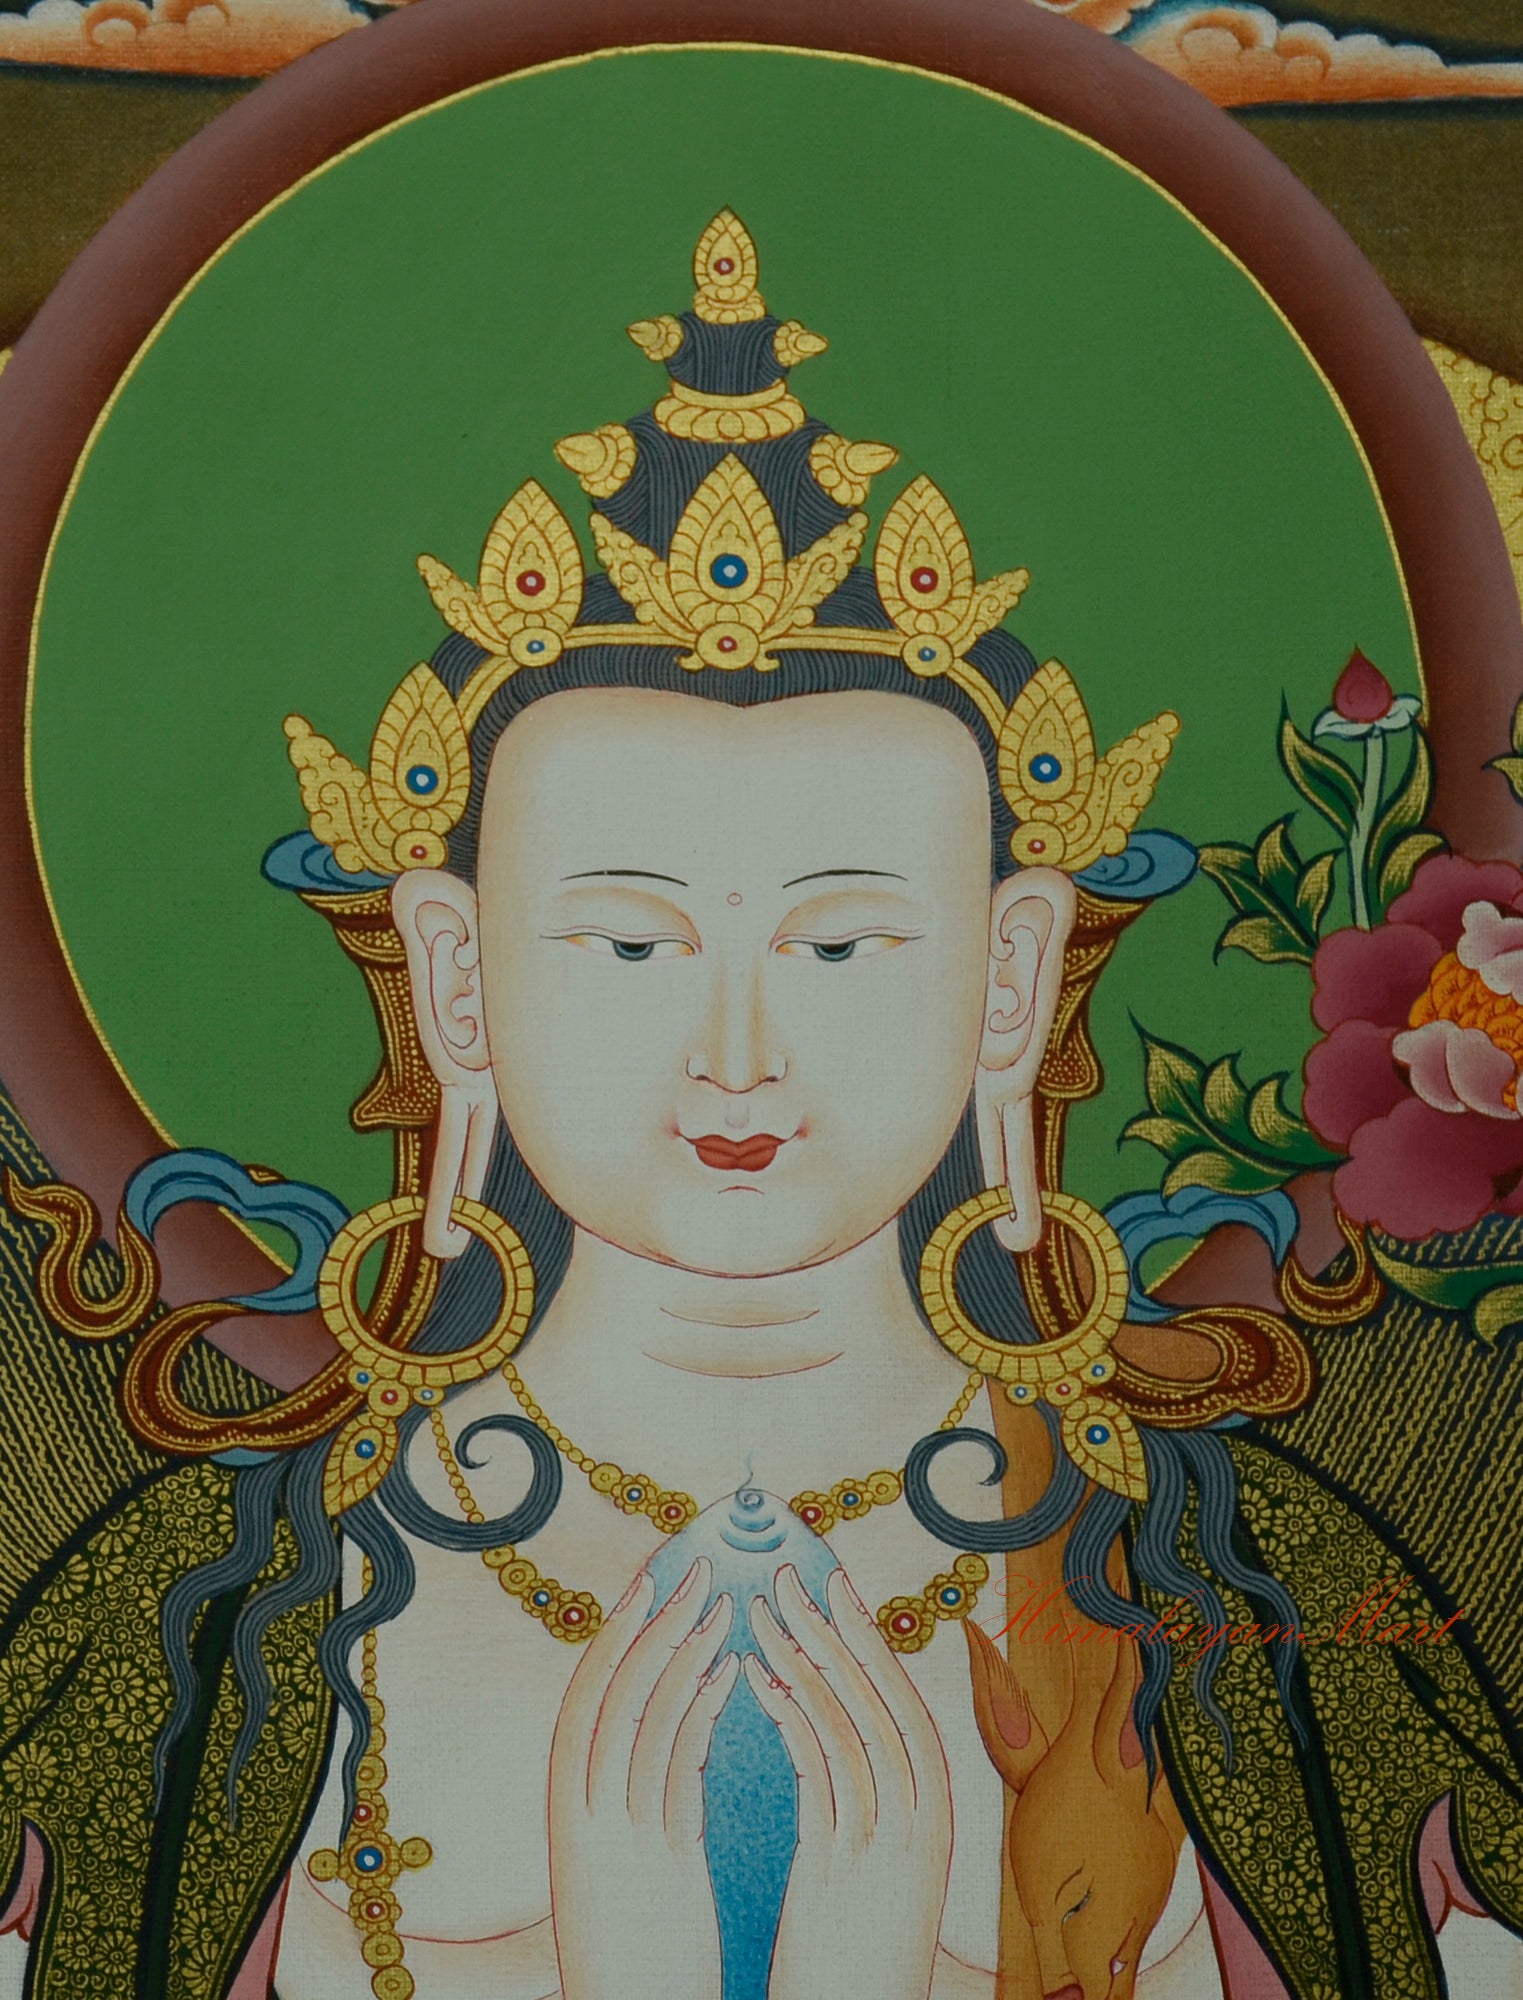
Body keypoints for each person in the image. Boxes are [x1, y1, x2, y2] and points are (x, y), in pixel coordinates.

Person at [2, 212, 1521, 2000]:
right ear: (456, 978)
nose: (738, 1056)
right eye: (631, 943)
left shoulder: (1253, 1610)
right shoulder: (202, 1628)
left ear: (1012, 974)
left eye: (844, 942)